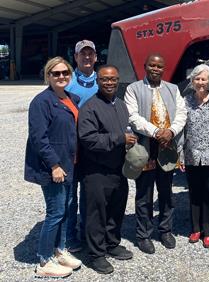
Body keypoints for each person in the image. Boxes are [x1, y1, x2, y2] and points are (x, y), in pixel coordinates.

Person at [25, 56, 82, 278]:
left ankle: (60, 250)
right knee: (55, 212)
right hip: (54, 168)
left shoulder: (72, 98)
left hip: (70, 164)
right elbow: (39, 139)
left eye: (65, 73)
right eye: (56, 73)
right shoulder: (41, 102)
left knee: (67, 210)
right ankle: (44, 260)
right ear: (48, 76)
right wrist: (54, 165)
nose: (61, 77)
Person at [124, 53, 187, 254]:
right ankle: (143, 234)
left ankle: (166, 230)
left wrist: (171, 131)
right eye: (152, 65)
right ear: (145, 66)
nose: (155, 69)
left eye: (159, 66)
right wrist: (156, 131)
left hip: (167, 147)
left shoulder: (173, 89)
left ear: (163, 68)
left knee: (166, 192)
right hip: (145, 148)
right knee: (144, 193)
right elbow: (133, 117)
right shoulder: (133, 89)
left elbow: (182, 114)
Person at [78, 65, 136, 274]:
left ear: (118, 80)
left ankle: (112, 243)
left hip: (118, 169)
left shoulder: (120, 105)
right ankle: (96, 253)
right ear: (97, 81)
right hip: (97, 170)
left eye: (113, 79)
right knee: (96, 214)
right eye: (104, 79)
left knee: (116, 209)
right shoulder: (90, 107)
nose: (109, 83)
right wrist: (119, 139)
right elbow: (87, 139)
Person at [180, 64, 209, 248]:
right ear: (192, 81)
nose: (201, 82)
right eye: (197, 79)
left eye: (204, 79)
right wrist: (181, 156)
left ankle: (208, 231)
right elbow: (182, 131)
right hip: (192, 155)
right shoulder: (186, 101)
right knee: (194, 193)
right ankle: (195, 228)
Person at [65, 39, 98, 252]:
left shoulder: (103, 81)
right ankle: (69, 236)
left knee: (91, 194)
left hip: (94, 150)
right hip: (71, 149)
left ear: (95, 57)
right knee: (69, 196)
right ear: (75, 57)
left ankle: (89, 232)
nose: (86, 57)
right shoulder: (66, 83)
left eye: (90, 53)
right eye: (82, 54)